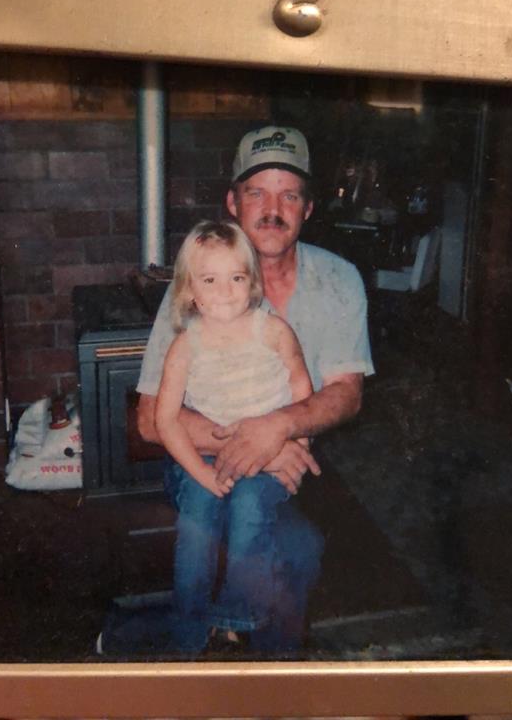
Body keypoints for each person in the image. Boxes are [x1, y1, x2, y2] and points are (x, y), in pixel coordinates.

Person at [136, 125, 374, 656]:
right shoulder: (198, 286)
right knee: (284, 547)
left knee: (301, 547)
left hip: (290, 462)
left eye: (288, 195)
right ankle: (205, 652)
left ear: (308, 207)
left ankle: (263, 673)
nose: (272, 209)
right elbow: (151, 418)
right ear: (232, 204)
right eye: (256, 193)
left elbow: (347, 394)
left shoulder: (339, 281)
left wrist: (280, 429)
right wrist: (257, 443)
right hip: (199, 462)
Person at [155, 219, 312, 652]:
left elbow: (302, 389)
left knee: (247, 508)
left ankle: (236, 618)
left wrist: (296, 448)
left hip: (267, 454)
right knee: (196, 521)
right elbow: (165, 421)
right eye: (210, 280)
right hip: (204, 458)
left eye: (237, 278)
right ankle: (188, 631)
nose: (225, 291)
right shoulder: (185, 346)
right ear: (190, 290)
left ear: (252, 282)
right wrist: (201, 474)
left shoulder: (274, 331)